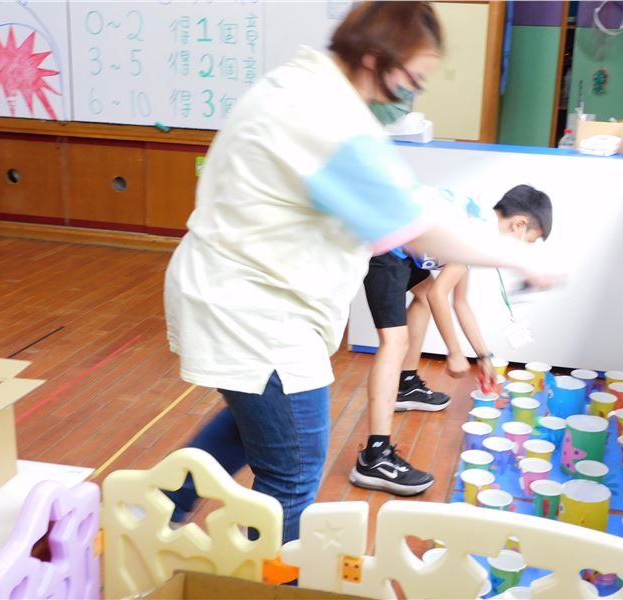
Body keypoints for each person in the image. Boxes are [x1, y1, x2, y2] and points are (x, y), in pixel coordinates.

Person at [163, 2, 559, 544]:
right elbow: (420, 228)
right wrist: (522, 258)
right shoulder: (328, 118)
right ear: (375, 59)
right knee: (293, 472)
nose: (412, 95)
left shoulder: (302, 83)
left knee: (250, 425)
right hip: (257, 312)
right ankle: (268, 577)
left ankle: (156, 510)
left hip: (234, 293)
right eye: (412, 80)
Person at [350, 185, 553, 495]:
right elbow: (439, 294)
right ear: (519, 224)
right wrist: (454, 352)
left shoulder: (476, 224)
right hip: (385, 247)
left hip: (403, 249)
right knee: (394, 342)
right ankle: (375, 456)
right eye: (530, 241)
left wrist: (484, 357)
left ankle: (405, 385)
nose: (524, 251)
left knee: (420, 297)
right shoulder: (474, 234)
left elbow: (460, 302)